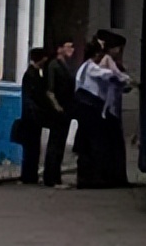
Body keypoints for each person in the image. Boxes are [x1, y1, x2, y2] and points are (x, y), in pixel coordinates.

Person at [73, 38, 130, 188]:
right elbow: (108, 75)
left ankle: (87, 177)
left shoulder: (84, 67)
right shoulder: (91, 67)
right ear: (97, 53)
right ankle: (91, 178)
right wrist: (125, 78)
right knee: (94, 143)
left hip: (85, 106)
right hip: (90, 106)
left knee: (86, 143)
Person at [43, 40, 76, 188]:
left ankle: (55, 177)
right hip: (58, 110)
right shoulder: (54, 65)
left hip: (66, 108)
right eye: (68, 47)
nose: (72, 50)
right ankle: (51, 177)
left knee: (60, 143)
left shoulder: (66, 66)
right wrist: (57, 107)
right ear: (60, 49)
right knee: (55, 143)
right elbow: (50, 90)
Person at [19, 48, 52, 185]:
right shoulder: (30, 75)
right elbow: (30, 97)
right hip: (31, 117)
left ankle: (30, 174)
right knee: (31, 147)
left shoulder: (36, 73)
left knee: (33, 147)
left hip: (34, 116)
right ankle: (28, 175)